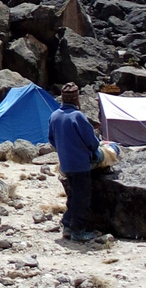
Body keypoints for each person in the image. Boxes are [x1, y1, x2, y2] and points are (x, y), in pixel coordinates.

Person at [48, 82, 99, 242]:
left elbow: (51, 139)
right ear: (76, 99)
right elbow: (91, 140)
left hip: (66, 164)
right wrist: (94, 151)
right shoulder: (78, 116)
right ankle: (78, 230)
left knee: (72, 195)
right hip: (80, 164)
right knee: (82, 198)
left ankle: (67, 225)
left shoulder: (54, 115)